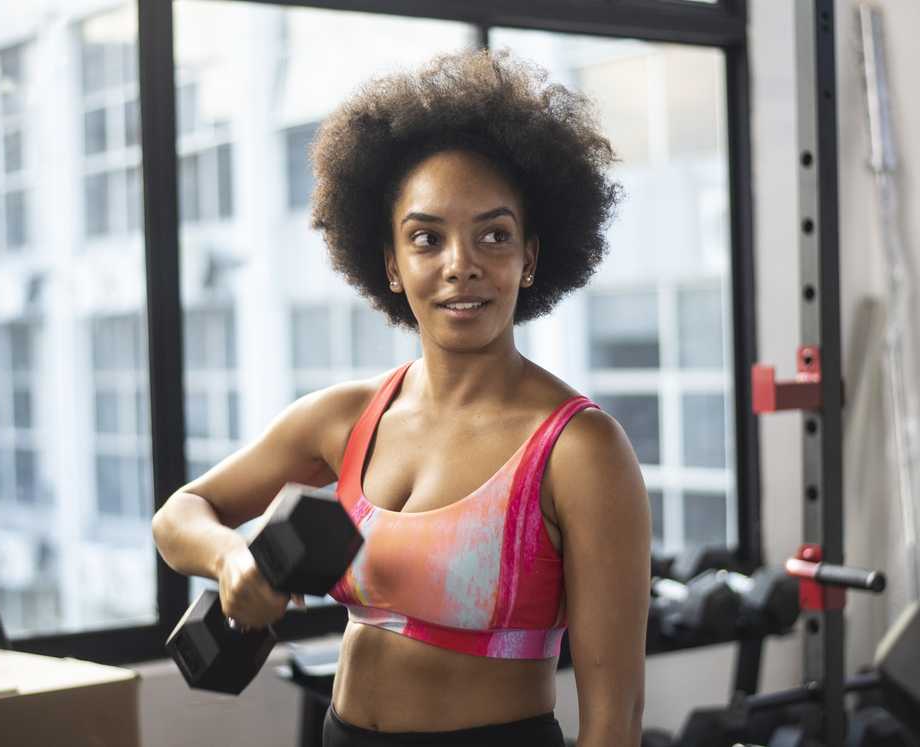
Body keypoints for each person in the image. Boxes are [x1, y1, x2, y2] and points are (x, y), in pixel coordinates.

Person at [152, 48, 650, 747]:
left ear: (530, 257)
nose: (461, 264)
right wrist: (232, 560)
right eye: (426, 238)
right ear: (389, 262)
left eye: (494, 235)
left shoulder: (580, 450)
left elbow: (614, 721)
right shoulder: (344, 418)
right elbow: (179, 515)